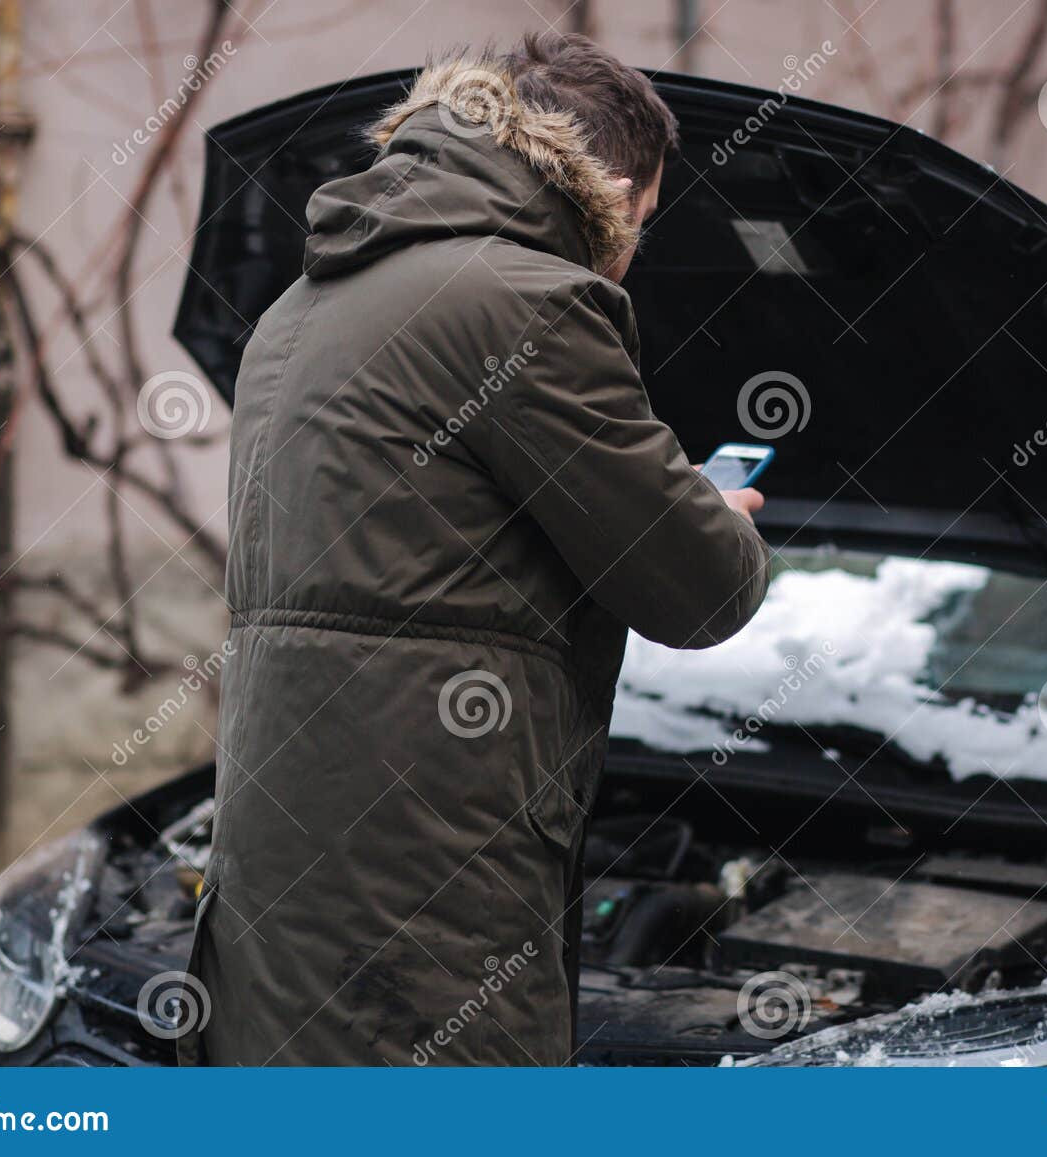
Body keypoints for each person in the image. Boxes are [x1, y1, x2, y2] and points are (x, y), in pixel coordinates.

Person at [182, 31, 770, 1066]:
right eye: (645, 219)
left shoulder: (299, 306)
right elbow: (696, 591)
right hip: (427, 888)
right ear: (615, 187)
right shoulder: (530, 303)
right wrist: (725, 524)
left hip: (281, 862)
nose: (634, 248)